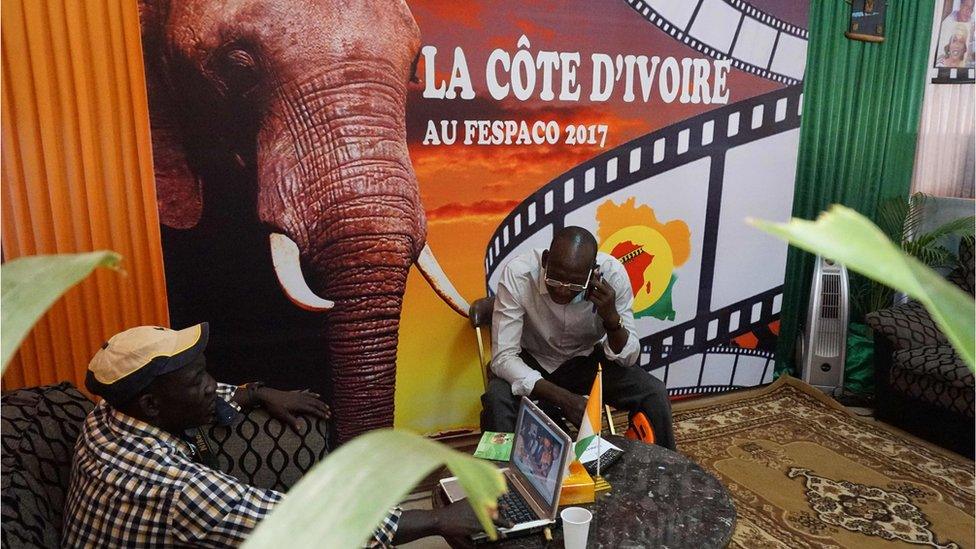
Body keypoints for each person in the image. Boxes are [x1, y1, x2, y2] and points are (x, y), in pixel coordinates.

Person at [62, 323, 492, 548]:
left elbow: (194, 396)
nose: (211, 384)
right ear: (152, 405)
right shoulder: (173, 490)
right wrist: (439, 520)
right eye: (197, 379)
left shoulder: (109, 414)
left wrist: (255, 392)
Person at [481, 226, 676, 450]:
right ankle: (499, 479)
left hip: (584, 358)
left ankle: (664, 471)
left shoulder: (613, 275)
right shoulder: (519, 273)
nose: (563, 291)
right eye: (555, 280)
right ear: (545, 261)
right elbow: (503, 358)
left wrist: (611, 318)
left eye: (575, 284)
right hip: (532, 357)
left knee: (653, 392)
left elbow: (628, 358)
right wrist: (564, 399)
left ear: (592, 272)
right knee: (497, 400)